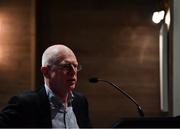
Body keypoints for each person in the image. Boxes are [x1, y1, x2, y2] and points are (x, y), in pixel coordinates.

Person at [0, 44, 91, 128]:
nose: (73, 72)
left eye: (75, 66)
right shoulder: (25, 104)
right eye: (66, 66)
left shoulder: (80, 101)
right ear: (46, 72)